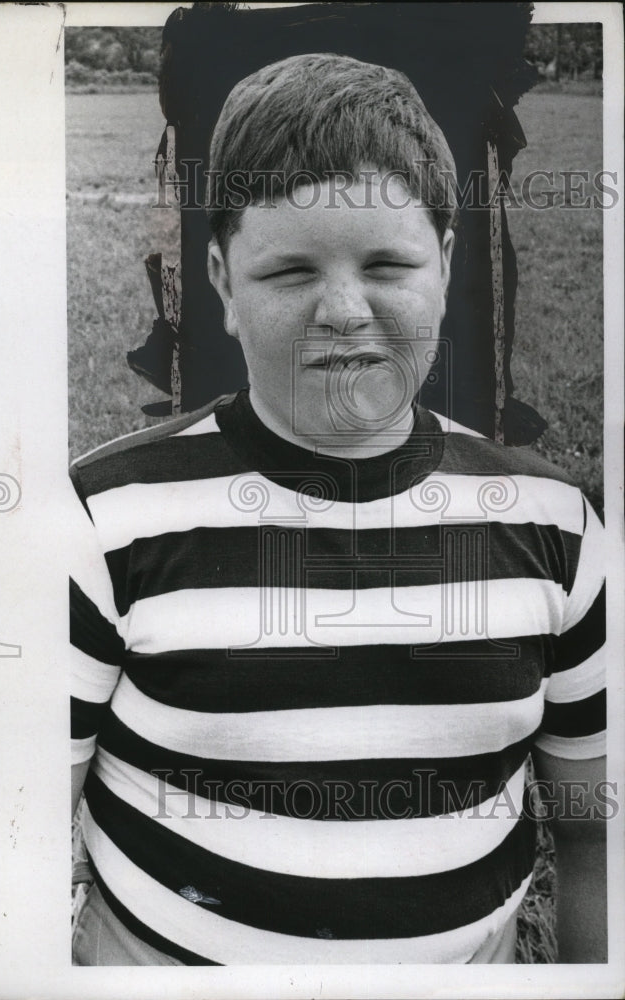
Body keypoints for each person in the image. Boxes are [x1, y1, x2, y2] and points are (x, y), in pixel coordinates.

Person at [69, 53, 606, 965]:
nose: (344, 311)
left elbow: (593, 838)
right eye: (288, 273)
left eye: (389, 264)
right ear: (221, 282)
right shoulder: (100, 525)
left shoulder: (554, 526)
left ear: (445, 264)